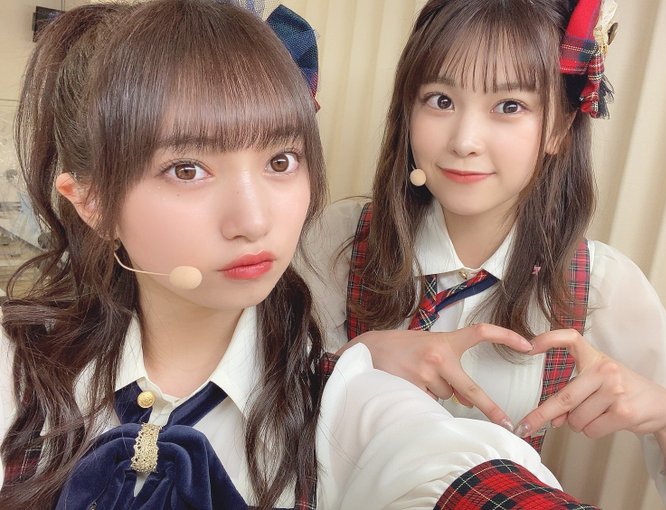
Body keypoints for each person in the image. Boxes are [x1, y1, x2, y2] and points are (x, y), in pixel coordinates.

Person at [0, 1, 603, 509]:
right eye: (187, 169)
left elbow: (445, 463)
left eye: (280, 161)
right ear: (92, 202)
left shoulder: (338, 404)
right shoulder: (15, 369)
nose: (254, 220)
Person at [299, 0, 666, 507]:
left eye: (509, 106)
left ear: (559, 129)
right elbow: (249, 408)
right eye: (440, 100)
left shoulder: (601, 284)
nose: (465, 141)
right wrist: (355, 361)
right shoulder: (335, 240)